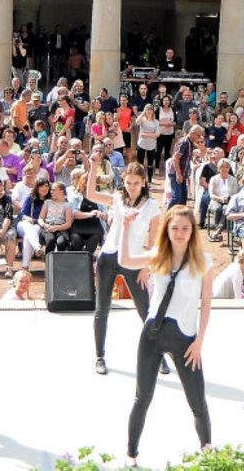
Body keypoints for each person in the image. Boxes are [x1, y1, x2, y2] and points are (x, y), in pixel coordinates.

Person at [119, 205, 213, 468]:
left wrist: (199, 342)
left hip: (186, 338)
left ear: (192, 231)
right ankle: (131, 453)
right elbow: (125, 261)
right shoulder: (158, 255)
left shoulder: (203, 261)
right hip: (153, 333)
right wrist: (125, 227)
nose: (180, 233)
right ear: (167, 230)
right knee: (142, 397)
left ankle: (209, 452)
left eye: (185, 228)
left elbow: (206, 304)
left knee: (198, 402)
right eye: (175, 228)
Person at [87, 157, 163, 376]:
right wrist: (93, 166)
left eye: (136, 183)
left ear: (143, 182)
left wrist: (146, 267)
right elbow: (91, 194)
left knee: (146, 310)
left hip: (134, 260)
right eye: (128, 182)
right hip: (109, 257)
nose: (132, 187)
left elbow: (154, 240)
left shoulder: (152, 206)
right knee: (102, 309)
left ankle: (158, 355)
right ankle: (100, 356)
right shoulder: (117, 198)